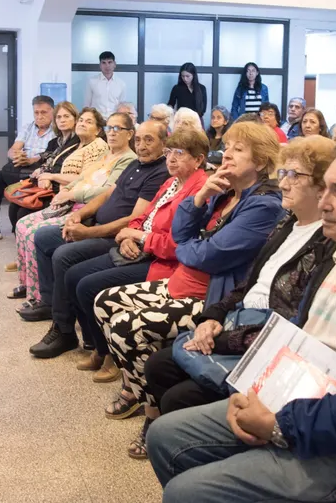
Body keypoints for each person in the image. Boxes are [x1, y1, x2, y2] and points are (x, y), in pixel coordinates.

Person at [147, 138, 336, 503]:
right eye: (324, 187)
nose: (324, 202)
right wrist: (250, 392)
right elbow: (295, 335)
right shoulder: (335, 249)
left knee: (186, 492)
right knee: (165, 436)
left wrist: (279, 424)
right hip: (295, 399)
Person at [96, 122, 284, 456]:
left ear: (260, 160)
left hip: (211, 296)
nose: (227, 154)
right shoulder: (224, 192)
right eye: (227, 147)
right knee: (104, 302)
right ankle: (138, 391)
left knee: (127, 328)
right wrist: (199, 197)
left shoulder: (264, 205)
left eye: (239, 149)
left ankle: (153, 413)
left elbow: (208, 255)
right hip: (185, 279)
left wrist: (187, 247)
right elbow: (183, 233)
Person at [141, 136, 335, 432]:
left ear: (323, 186)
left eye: (294, 175)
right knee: (159, 365)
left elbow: (293, 318)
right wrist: (212, 317)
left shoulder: (322, 241)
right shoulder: (287, 225)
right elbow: (249, 283)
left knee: (177, 396)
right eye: (283, 173)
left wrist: (223, 339)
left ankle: (177, 438)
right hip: (239, 317)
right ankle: (166, 431)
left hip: (266, 339)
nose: (283, 183)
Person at [51, 128, 209, 380]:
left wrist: (139, 237)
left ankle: (111, 356)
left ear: (198, 159)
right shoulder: (171, 182)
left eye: (179, 153)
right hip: (139, 247)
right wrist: (127, 235)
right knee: (72, 276)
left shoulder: (199, 191)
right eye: (169, 152)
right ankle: (100, 347)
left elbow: (177, 245)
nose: (171, 159)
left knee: (88, 286)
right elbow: (143, 217)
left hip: (163, 262)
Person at [25, 120, 170, 349]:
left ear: (164, 143)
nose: (142, 146)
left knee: (63, 255)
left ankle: (63, 330)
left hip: (115, 237)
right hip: (96, 225)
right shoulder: (136, 163)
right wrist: (79, 215)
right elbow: (107, 194)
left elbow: (134, 220)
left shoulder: (160, 172)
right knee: (43, 237)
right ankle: (51, 304)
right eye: (139, 140)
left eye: (149, 140)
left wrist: (87, 233)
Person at [15, 111, 131, 311]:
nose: (112, 132)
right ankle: (30, 286)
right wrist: (66, 190)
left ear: (129, 134)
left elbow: (106, 191)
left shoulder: (127, 159)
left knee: (35, 233)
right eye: (109, 128)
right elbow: (82, 177)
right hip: (71, 201)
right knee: (22, 223)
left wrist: (71, 194)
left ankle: (42, 297)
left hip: (87, 209)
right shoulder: (105, 155)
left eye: (117, 128)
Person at [2, 102, 81, 282]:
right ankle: (22, 255)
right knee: (14, 206)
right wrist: (41, 172)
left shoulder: (77, 142)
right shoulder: (55, 141)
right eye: (59, 117)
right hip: (45, 183)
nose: (62, 120)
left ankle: (30, 257)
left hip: (59, 189)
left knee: (23, 212)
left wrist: (48, 176)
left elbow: (67, 170)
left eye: (67, 116)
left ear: (75, 119)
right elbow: (47, 161)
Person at [0, 95, 56, 244]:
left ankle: (21, 225)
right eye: (36, 112)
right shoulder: (28, 127)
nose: (39, 116)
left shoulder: (56, 130)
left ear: (53, 111)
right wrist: (17, 155)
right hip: (21, 167)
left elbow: (53, 154)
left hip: (40, 169)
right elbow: (13, 149)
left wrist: (32, 160)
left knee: (23, 180)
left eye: (44, 112)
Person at [86, 51, 126, 118]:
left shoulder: (121, 84)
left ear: (114, 64)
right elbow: (87, 105)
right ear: (100, 65)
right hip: (97, 119)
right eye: (104, 63)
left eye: (110, 62)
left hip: (114, 120)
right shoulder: (92, 82)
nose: (107, 66)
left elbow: (122, 107)